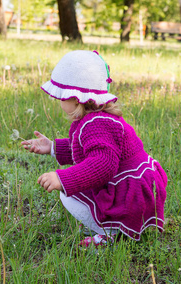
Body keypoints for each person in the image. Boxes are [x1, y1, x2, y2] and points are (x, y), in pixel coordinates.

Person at [21, 50, 167, 247]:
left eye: (62, 97)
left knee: (68, 194)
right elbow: (88, 149)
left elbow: (102, 165)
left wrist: (63, 179)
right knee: (76, 187)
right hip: (134, 185)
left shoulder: (96, 124)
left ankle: (110, 232)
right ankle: (109, 225)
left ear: (76, 98)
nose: (59, 101)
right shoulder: (96, 118)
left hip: (130, 194)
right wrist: (52, 147)